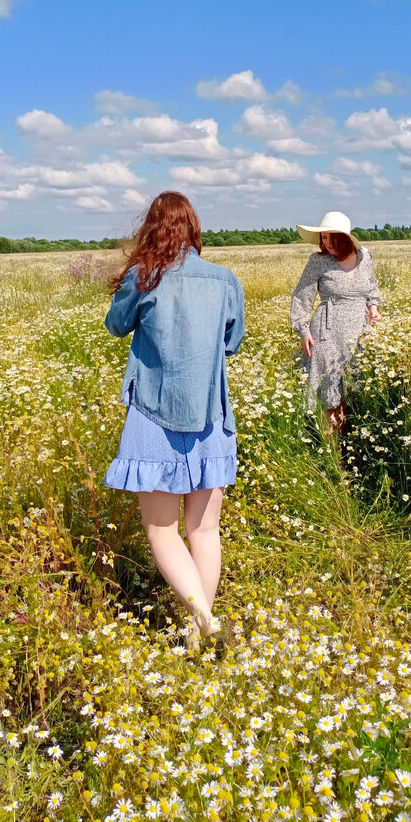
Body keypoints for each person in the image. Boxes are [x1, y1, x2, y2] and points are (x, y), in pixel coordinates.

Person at [103, 191, 245, 649]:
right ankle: (202, 629)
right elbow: (233, 341)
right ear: (193, 229)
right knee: (203, 530)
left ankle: (203, 622)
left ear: (152, 229)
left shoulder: (144, 278)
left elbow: (115, 325)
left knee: (161, 529)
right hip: (209, 414)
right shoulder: (224, 280)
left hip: (152, 415)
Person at [289, 210, 381, 431]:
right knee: (328, 391)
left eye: (331, 237)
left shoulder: (365, 257)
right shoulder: (318, 261)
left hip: (359, 331)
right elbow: (301, 297)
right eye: (323, 237)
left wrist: (373, 309)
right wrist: (303, 330)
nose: (326, 242)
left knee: (352, 389)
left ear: (345, 238)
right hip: (326, 334)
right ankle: (331, 451)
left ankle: (346, 442)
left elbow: (371, 288)